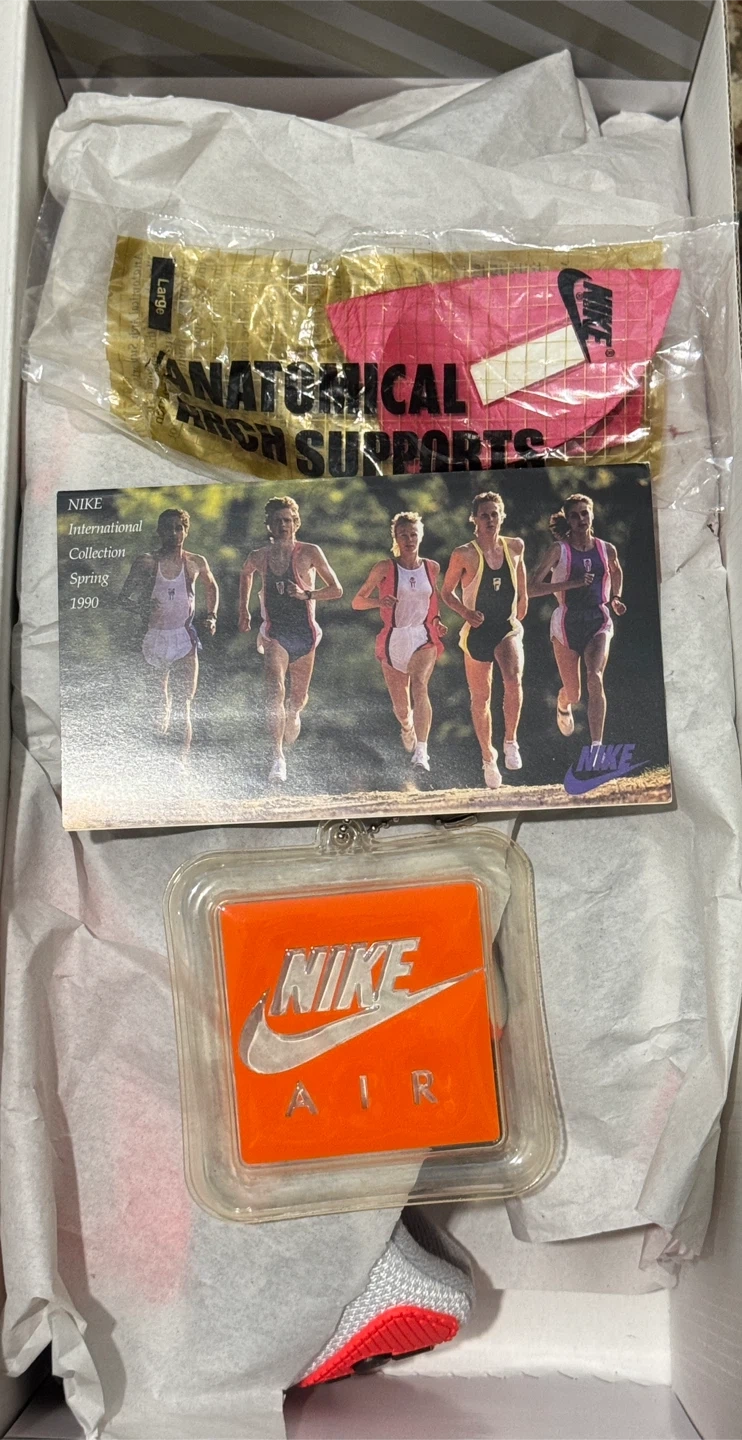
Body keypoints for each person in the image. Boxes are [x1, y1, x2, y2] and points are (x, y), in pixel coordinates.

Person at [238, 495, 343, 784]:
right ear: (269, 525)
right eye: (277, 521)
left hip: (305, 634)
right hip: (275, 634)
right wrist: (244, 610)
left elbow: (336, 590)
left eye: (287, 520)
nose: (283, 525)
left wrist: (306, 594)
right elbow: (245, 573)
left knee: (296, 700)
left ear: (296, 523)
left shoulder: (309, 552)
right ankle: (277, 757)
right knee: (275, 690)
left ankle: (294, 713)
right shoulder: (259, 556)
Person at [441, 492, 526, 790]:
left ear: (502, 516)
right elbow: (446, 592)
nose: (490, 519)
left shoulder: (515, 546)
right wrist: (465, 612)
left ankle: (511, 741)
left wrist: (522, 605)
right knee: (481, 698)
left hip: (506, 626)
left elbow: (521, 580)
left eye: (494, 514)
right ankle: (488, 759)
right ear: (474, 520)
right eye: (484, 515)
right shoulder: (463, 554)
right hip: (477, 631)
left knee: (513, 679)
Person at [352, 512, 447, 774]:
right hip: (394, 638)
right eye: (403, 535)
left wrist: (437, 621)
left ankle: (422, 753)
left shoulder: (432, 567)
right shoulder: (384, 568)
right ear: (395, 538)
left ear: (421, 536)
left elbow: (432, 601)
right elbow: (357, 602)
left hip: (423, 636)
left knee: (420, 685)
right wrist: (378, 602)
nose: (409, 539)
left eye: (413, 534)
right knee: (402, 707)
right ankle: (407, 726)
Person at [529, 492, 626, 746]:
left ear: (592, 514)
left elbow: (616, 570)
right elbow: (531, 589)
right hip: (566, 622)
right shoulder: (558, 550)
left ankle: (596, 749)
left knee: (595, 676)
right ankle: (563, 704)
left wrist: (616, 597)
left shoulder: (606, 549)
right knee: (574, 694)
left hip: (598, 618)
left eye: (585, 513)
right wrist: (572, 584)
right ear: (568, 520)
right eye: (574, 516)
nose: (581, 519)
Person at [119, 508, 218, 755]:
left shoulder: (195, 562)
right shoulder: (146, 562)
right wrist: (140, 606)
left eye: (178, 528)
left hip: (184, 637)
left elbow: (211, 586)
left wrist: (212, 616)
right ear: (159, 532)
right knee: (159, 705)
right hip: (155, 637)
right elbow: (123, 598)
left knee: (184, 705)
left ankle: (181, 764)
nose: (173, 533)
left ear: (186, 531)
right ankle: (156, 756)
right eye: (168, 528)